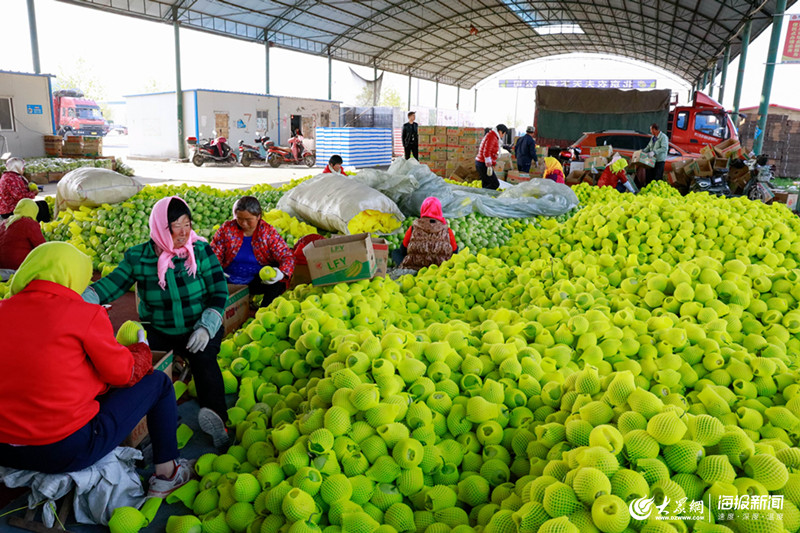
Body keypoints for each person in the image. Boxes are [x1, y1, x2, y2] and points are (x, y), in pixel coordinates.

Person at [0, 242, 191, 497]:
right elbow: (124, 374)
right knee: (158, 382)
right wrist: (140, 350)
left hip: (5, 449)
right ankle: (168, 474)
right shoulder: (83, 314)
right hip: (65, 450)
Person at [83, 196, 230, 447]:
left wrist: (206, 326)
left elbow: (219, 291)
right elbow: (110, 286)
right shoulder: (138, 258)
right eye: (176, 226)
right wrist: (76, 300)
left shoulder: (200, 251)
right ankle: (138, 425)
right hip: (160, 329)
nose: (184, 232)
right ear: (161, 227)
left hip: (199, 327)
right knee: (137, 363)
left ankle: (219, 422)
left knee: (204, 362)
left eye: (187, 224)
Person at [211, 196, 295, 308]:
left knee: (278, 280)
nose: (243, 223)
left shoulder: (267, 232)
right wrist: (216, 271)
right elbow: (213, 253)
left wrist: (281, 273)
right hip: (228, 280)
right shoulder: (227, 229)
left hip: (256, 281)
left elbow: (287, 256)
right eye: (239, 218)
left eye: (248, 220)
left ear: (258, 216)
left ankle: (263, 311)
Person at [398, 197, 458, 271]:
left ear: (423, 209)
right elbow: (455, 251)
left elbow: (403, 249)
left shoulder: (414, 227)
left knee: (396, 253)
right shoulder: (447, 230)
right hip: (439, 268)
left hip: (416, 266)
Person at [0, 198, 46, 270]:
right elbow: (42, 246)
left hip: (2, 266)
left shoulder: (5, 222)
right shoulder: (29, 224)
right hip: (17, 268)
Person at [0, 157, 49, 222]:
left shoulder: (12, 176)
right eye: (22, 167)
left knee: (43, 204)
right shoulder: (10, 178)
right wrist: (33, 193)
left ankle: (42, 225)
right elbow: (19, 196)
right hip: (11, 210)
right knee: (39, 208)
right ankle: (39, 226)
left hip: (15, 206)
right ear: (17, 167)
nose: (23, 169)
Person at [475, 124, 508, 190]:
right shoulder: (492, 136)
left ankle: (484, 198)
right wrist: (489, 162)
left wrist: (493, 159)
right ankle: (484, 196)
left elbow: (489, 150)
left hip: (480, 162)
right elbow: (487, 150)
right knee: (495, 184)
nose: (503, 136)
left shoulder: (492, 135)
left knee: (486, 184)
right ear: (500, 131)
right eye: (503, 134)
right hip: (483, 163)